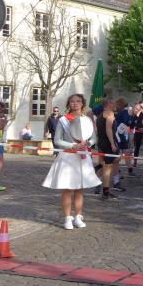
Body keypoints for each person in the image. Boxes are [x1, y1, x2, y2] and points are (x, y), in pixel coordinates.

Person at [42, 94, 100, 230]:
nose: (75, 103)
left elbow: (93, 138)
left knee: (79, 189)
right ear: (69, 104)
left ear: (82, 104)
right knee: (67, 189)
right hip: (68, 157)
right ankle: (67, 218)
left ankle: (78, 217)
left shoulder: (87, 120)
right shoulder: (63, 120)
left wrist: (88, 143)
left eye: (78, 101)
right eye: (72, 101)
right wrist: (73, 145)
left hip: (82, 157)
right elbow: (57, 140)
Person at [96, 98, 120, 200]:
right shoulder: (110, 114)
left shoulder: (100, 115)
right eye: (114, 103)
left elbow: (97, 130)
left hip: (101, 142)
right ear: (109, 104)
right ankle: (105, 192)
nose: (115, 105)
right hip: (107, 143)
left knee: (114, 160)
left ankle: (98, 168)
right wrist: (112, 144)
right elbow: (108, 129)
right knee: (107, 168)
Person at [112, 98, 131, 189]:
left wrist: (119, 131)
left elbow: (127, 123)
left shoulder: (124, 112)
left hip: (120, 136)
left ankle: (127, 169)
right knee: (116, 156)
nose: (116, 105)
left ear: (121, 104)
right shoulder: (116, 112)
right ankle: (117, 174)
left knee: (120, 155)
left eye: (118, 103)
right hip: (116, 136)